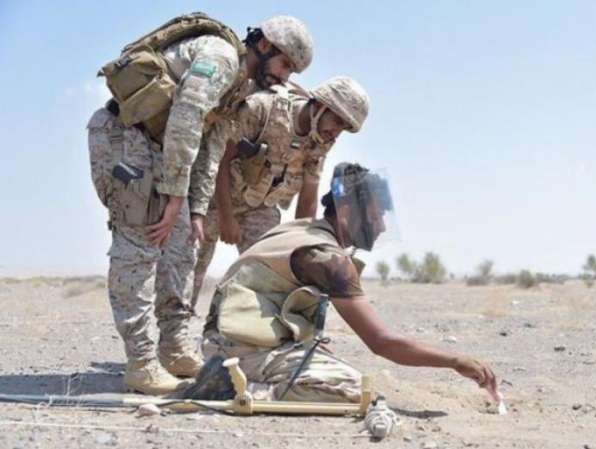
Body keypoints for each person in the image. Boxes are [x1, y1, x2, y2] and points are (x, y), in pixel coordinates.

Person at [87, 12, 314, 395]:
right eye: (285, 64)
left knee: (183, 247)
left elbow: (213, 144)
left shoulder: (239, 86)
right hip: (125, 138)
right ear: (264, 45)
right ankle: (141, 363)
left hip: (161, 152)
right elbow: (185, 118)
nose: (284, 77)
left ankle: (174, 348)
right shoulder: (220, 58)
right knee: (140, 245)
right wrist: (176, 194)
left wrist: (195, 208)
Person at [185, 163, 497, 403]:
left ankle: (232, 374)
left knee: (330, 365)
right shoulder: (328, 257)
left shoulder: (304, 230)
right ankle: (242, 389)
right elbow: (382, 342)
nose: (381, 225)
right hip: (239, 348)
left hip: (225, 340)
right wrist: (454, 361)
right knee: (353, 389)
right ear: (347, 211)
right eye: (377, 215)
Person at [190, 76, 370, 309]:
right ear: (320, 106)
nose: (336, 133)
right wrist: (226, 217)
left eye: (344, 128)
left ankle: (247, 326)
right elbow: (221, 160)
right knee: (190, 270)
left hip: (259, 208)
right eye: (337, 121)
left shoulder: (321, 141)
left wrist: (302, 247)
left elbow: (308, 197)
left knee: (272, 275)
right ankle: (177, 327)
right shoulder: (262, 109)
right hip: (215, 199)